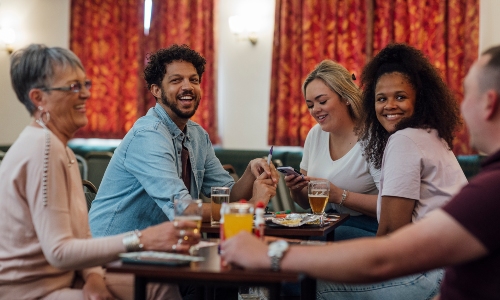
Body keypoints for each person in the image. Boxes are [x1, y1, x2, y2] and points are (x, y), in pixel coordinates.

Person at [222, 43, 476, 300]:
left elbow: (390, 233)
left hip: (432, 270)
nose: (389, 106)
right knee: (320, 247)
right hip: (451, 263)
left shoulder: (403, 141)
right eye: (381, 99)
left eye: (400, 97)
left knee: (298, 282)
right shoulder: (427, 134)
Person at [0, 44, 200, 300]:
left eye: (86, 84)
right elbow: (59, 252)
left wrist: (94, 278)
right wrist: (143, 238)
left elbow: (82, 235)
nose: (85, 95)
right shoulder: (43, 149)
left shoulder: (58, 147)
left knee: (160, 286)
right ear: (38, 98)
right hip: (33, 291)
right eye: (73, 87)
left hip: (68, 278)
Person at [89, 44, 277, 237]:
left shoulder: (197, 135)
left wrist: (251, 172)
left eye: (193, 80)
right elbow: (184, 210)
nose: (187, 87)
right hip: (113, 252)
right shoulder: (148, 135)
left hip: (161, 248)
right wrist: (252, 207)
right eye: (176, 80)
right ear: (156, 90)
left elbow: (227, 196)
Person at [285, 60, 380, 240]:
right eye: (310, 105)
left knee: (314, 242)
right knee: (287, 239)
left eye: (322, 101)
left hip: (369, 226)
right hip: (327, 222)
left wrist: (340, 196)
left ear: (345, 97)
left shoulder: (373, 137)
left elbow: (393, 206)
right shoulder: (315, 135)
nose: (315, 110)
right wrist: (296, 190)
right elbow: (305, 204)